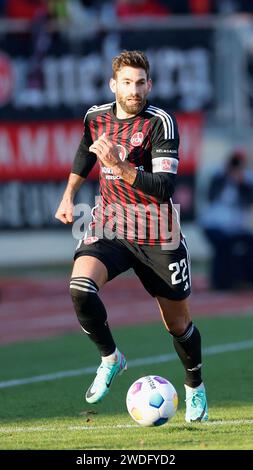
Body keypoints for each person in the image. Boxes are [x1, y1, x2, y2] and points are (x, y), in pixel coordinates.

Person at [55, 50, 208, 423]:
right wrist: (69, 194)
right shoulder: (96, 117)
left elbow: (164, 187)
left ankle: (195, 387)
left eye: (141, 83)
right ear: (114, 85)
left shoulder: (160, 124)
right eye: (127, 83)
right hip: (110, 225)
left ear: (150, 85)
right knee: (80, 287)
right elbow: (84, 154)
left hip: (158, 234)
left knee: (178, 325)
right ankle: (110, 357)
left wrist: (120, 166)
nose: (134, 90)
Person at [200, 150, 253, 290]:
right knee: (223, 245)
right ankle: (220, 282)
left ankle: (245, 278)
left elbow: (248, 200)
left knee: (249, 242)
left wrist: (241, 183)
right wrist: (228, 177)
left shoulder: (246, 180)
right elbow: (211, 195)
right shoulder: (219, 176)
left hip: (234, 227)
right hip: (214, 225)